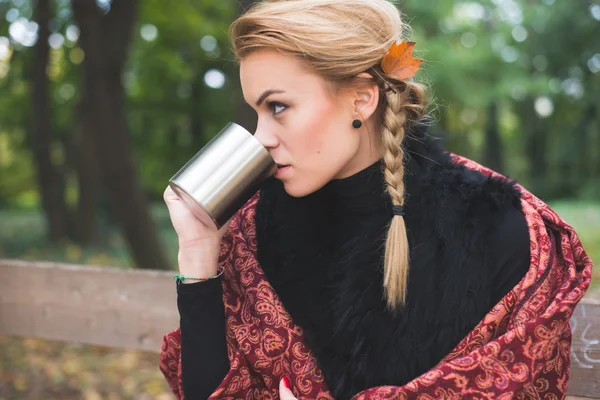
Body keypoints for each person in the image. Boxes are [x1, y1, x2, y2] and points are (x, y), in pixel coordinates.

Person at [160, 1, 593, 399]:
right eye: (256, 111)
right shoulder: (250, 233)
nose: (262, 137)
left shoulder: (505, 229)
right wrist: (198, 255)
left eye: (277, 107)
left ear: (362, 98)